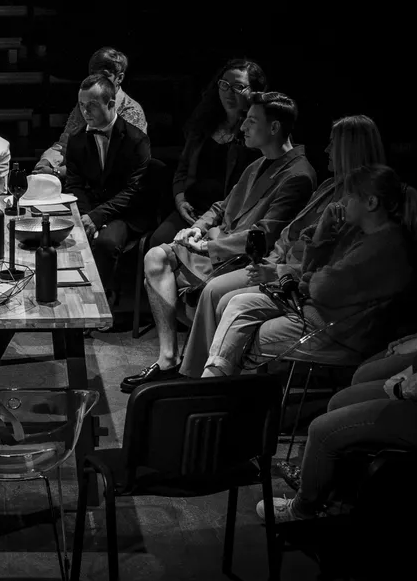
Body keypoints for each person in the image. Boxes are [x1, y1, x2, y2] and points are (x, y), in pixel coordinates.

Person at [259, 188, 417, 524]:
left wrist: (406, 384)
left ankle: (302, 511)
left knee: (323, 429)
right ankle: (338, 496)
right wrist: (416, 348)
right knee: (342, 399)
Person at [121, 92, 317, 391]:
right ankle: (168, 358)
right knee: (155, 257)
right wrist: (196, 228)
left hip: (240, 258)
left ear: (275, 127)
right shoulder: (258, 163)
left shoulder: (297, 175)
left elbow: (264, 235)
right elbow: (222, 206)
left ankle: (196, 374)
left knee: (181, 276)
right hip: (214, 245)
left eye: (251, 121)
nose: (243, 127)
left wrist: (207, 247)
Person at [179, 115, 386, 377]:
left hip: (297, 285)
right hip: (282, 267)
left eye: (333, 143)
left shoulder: (355, 207)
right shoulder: (328, 186)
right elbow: (292, 235)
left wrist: (279, 271)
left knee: (219, 293)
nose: (326, 149)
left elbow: (325, 268)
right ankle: (201, 375)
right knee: (212, 290)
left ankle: (203, 378)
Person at [201, 164, 417, 377]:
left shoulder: (385, 245)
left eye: (350, 195)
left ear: (371, 202)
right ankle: (214, 387)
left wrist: (307, 280)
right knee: (238, 305)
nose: (344, 201)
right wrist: (322, 231)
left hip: (335, 332)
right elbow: (313, 273)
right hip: (313, 311)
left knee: (240, 337)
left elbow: (323, 288)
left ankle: (211, 388)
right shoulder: (359, 233)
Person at [148, 59, 266, 247]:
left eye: (238, 87)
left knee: (195, 251)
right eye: (224, 85)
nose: (229, 92)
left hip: (229, 216)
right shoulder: (204, 123)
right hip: (192, 209)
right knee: (158, 240)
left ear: (254, 91)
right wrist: (180, 201)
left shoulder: (255, 133)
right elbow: (182, 169)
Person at [64, 73, 152, 301]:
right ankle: (69, 298)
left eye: (92, 105)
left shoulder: (136, 140)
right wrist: (86, 216)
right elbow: (74, 184)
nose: (85, 112)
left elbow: (134, 191)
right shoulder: (76, 139)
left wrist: (97, 217)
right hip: (89, 208)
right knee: (58, 236)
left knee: (105, 242)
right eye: (81, 105)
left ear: (111, 103)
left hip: (124, 213)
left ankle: (101, 301)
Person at [34, 47, 149, 179]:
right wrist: (46, 162)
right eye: (94, 75)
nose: (98, 81)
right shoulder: (83, 106)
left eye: (105, 75)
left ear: (120, 78)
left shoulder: (131, 111)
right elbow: (66, 144)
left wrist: (57, 172)